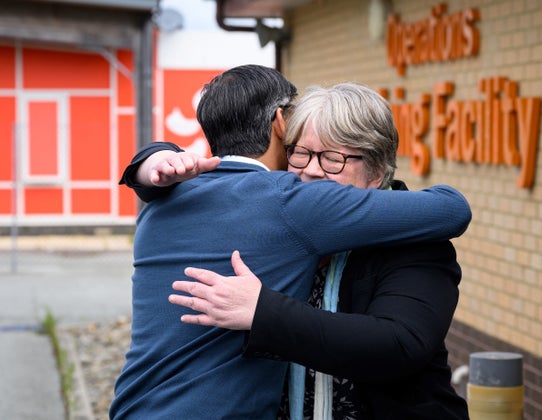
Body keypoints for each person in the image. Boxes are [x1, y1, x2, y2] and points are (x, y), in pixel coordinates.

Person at [110, 66, 471, 420]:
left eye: (333, 158)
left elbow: (400, 344)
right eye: (300, 152)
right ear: (282, 134)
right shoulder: (280, 212)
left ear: (377, 172)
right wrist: (154, 160)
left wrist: (263, 312)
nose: (311, 170)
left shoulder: (413, 242)